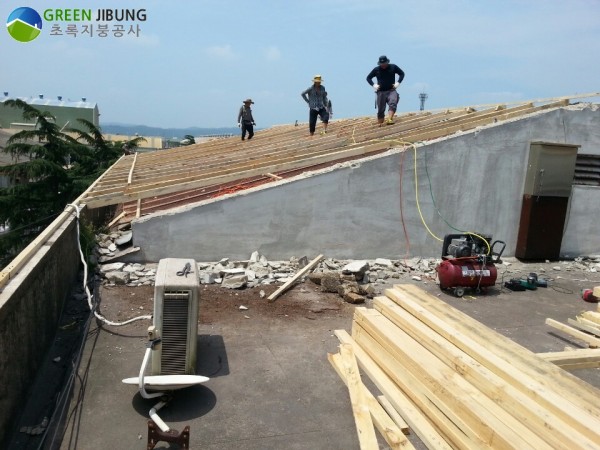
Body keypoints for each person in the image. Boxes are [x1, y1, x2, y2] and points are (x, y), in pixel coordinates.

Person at [366, 55, 405, 125]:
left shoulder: (393, 67)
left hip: (391, 90)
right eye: (381, 64)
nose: (383, 65)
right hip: (381, 92)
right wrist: (374, 85)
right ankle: (380, 123)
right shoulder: (376, 70)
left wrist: (398, 83)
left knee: (393, 103)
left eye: (384, 63)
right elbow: (368, 78)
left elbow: (402, 74)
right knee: (381, 109)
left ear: (387, 62)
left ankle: (390, 119)